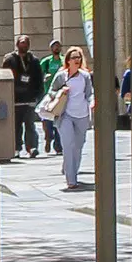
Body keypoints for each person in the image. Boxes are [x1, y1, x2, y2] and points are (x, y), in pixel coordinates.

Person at [48, 45, 95, 190]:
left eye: (79, 57)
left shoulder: (85, 76)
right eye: (74, 57)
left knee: (78, 146)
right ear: (68, 60)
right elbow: (51, 91)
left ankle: (71, 169)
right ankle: (71, 179)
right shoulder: (61, 75)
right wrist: (61, 92)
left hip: (82, 115)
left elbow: (89, 93)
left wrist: (92, 102)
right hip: (65, 115)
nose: (77, 60)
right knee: (68, 145)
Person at [3, 35, 43, 158]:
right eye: (22, 43)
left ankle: (32, 147)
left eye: (26, 43)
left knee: (30, 124)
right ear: (17, 44)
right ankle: (16, 148)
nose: (24, 45)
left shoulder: (34, 60)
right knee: (16, 126)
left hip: (29, 99)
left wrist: (38, 96)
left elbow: (39, 79)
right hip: (15, 99)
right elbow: (4, 78)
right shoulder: (10, 59)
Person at [38, 39, 65, 154]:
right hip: (48, 94)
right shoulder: (46, 61)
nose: (57, 48)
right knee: (47, 119)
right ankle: (48, 138)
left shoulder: (64, 60)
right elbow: (39, 74)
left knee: (59, 119)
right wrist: (44, 78)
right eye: (54, 46)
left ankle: (58, 145)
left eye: (58, 46)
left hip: (60, 94)